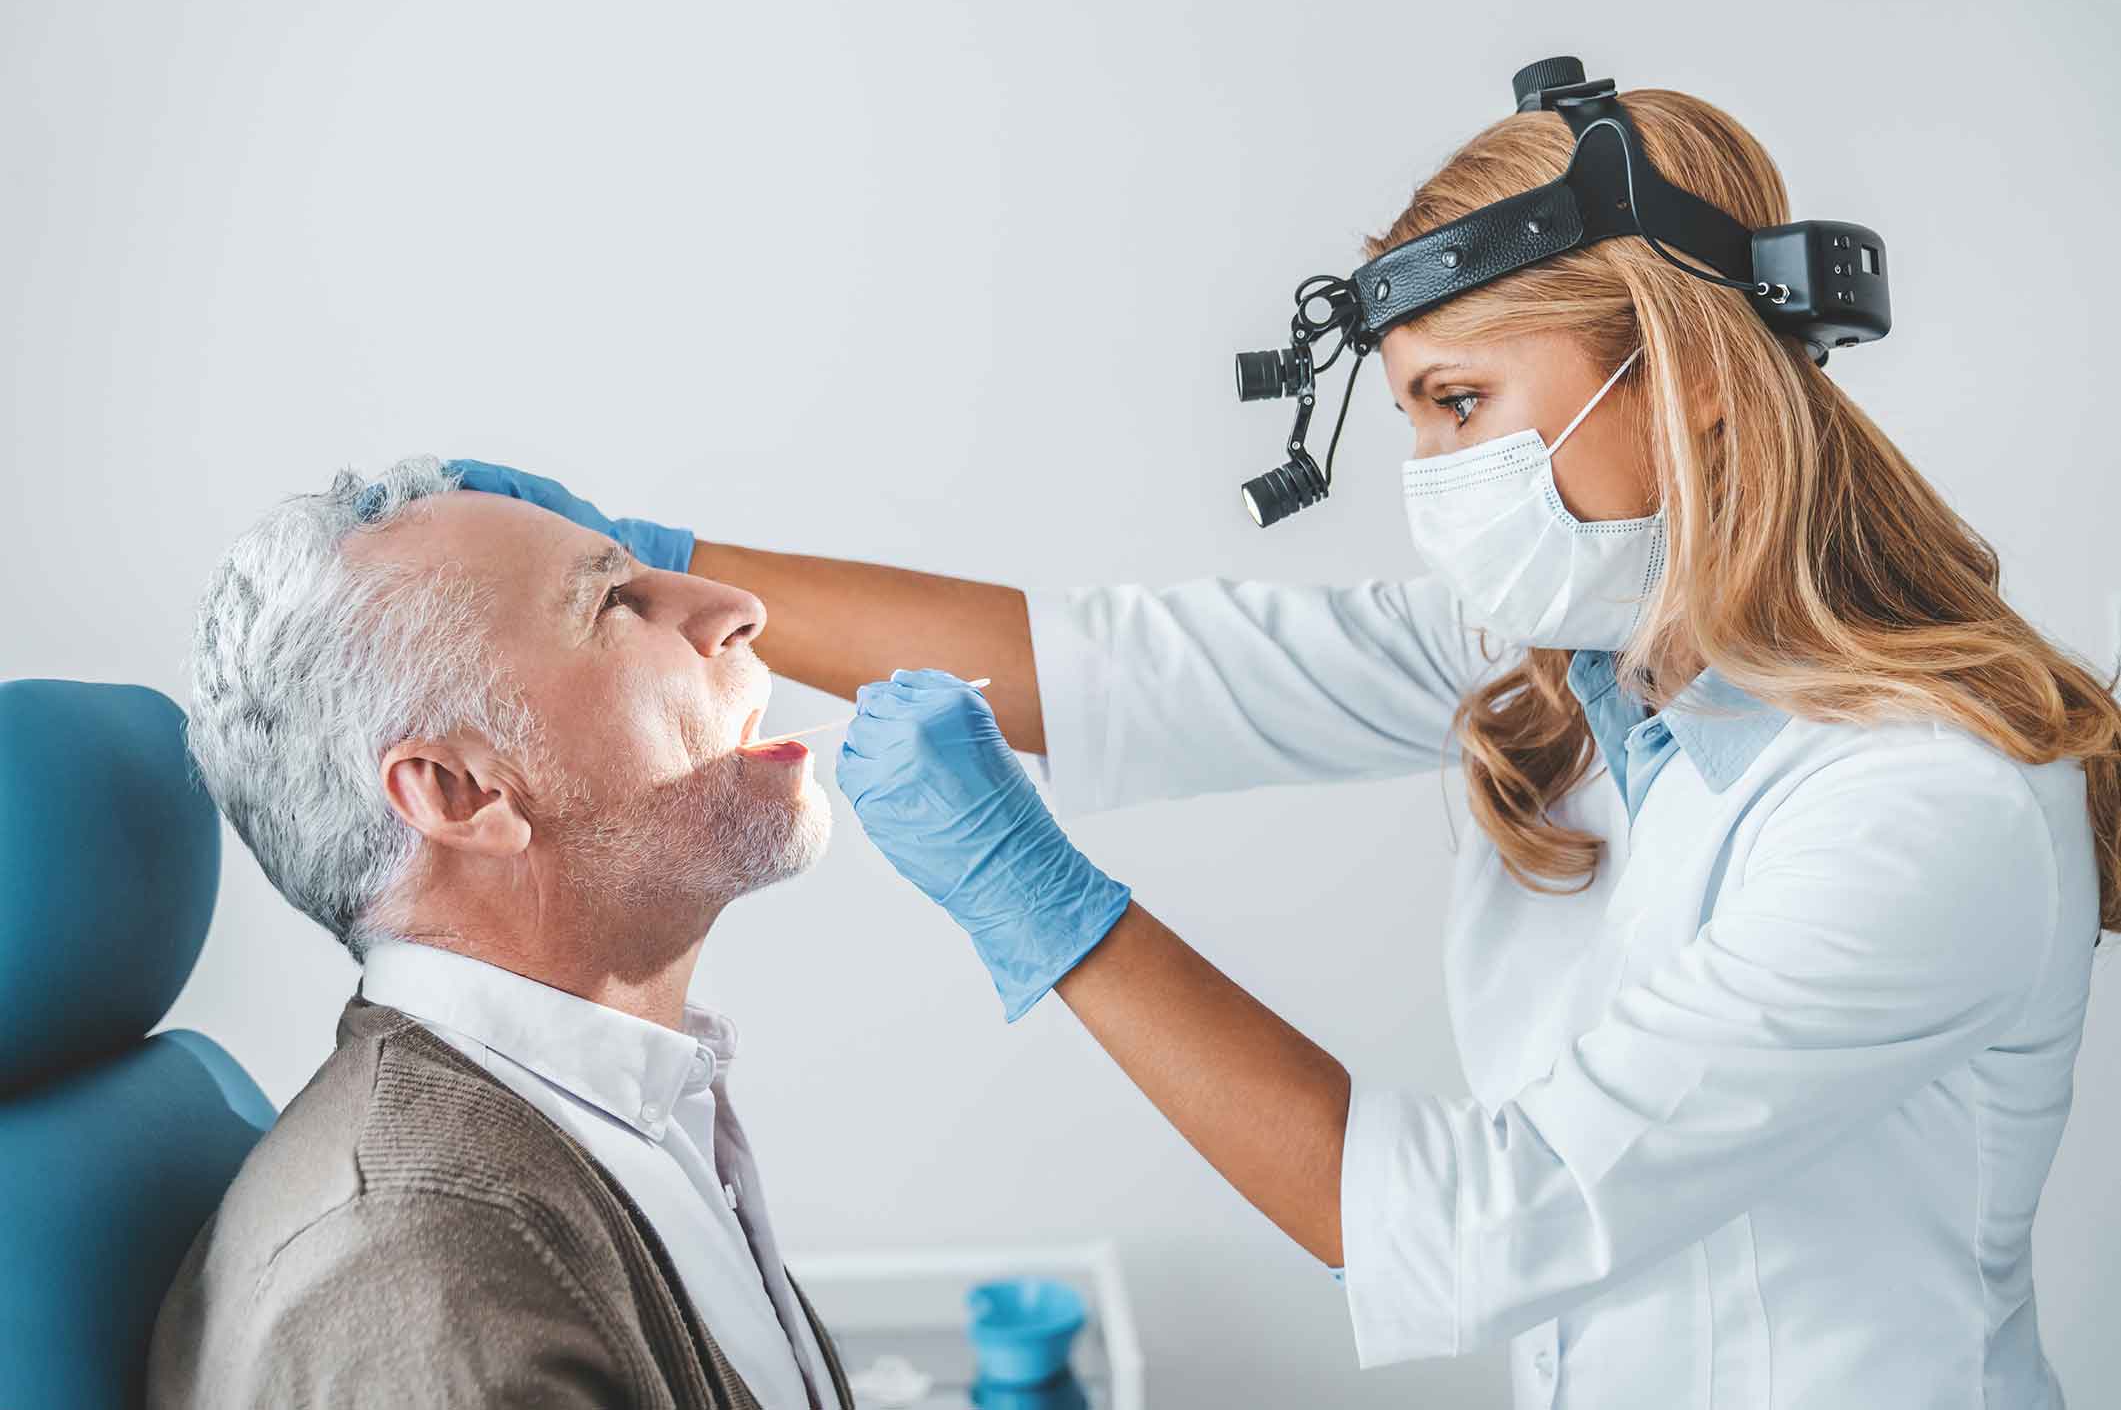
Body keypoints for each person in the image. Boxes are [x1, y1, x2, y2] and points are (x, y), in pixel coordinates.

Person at [459, 82, 2121, 1409]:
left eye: (1459, 405)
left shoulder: (1925, 809)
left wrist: (1041, 903)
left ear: (1683, 374)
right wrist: (658, 555)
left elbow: (1475, 1226)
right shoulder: (1584, 671)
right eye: (1406, 419)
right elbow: (1119, 669)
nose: (1433, 476)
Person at [150, 457, 853, 1409]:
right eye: (615, 600)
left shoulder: (632, 1114)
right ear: (461, 792)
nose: (738, 605)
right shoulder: (416, 1280)